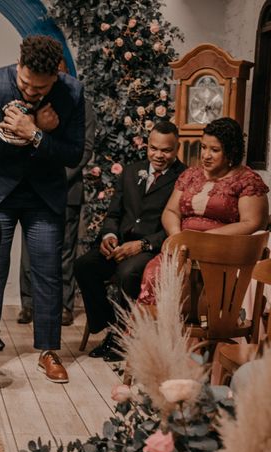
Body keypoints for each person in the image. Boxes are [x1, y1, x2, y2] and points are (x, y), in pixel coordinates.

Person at [0, 35, 85, 384]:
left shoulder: (72, 93)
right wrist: (19, 132)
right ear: (18, 66)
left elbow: (73, 154)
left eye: (40, 89)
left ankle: (48, 350)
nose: (31, 93)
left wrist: (36, 134)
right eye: (25, 85)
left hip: (43, 195)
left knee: (47, 274)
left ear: (56, 77)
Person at [74, 121, 186, 361]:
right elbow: (114, 213)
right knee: (84, 265)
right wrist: (110, 236)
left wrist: (143, 245)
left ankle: (118, 340)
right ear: (147, 145)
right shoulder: (132, 170)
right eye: (153, 148)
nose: (158, 155)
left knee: (128, 273)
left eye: (166, 150)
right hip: (120, 244)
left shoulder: (183, 179)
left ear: (177, 148)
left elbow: (177, 228)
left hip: (151, 250)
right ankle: (113, 326)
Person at [138, 117, 269, 304]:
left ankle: (193, 331)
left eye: (214, 150)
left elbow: (254, 223)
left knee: (193, 288)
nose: (206, 155)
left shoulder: (247, 180)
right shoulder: (190, 174)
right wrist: (179, 238)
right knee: (154, 273)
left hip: (220, 254)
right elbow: (171, 211)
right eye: (203, 147)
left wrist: (205, 240)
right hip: (182, 249)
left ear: (231, 153)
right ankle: (159, 331)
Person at [18, 97, 96, 326]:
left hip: (67, 189)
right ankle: (29, 304)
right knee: (28, 249)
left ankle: (63, 305)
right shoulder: (31, 102)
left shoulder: (83, 106)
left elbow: (85, 149)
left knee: (64, 250)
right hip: (34, 188)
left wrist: (57, 179)